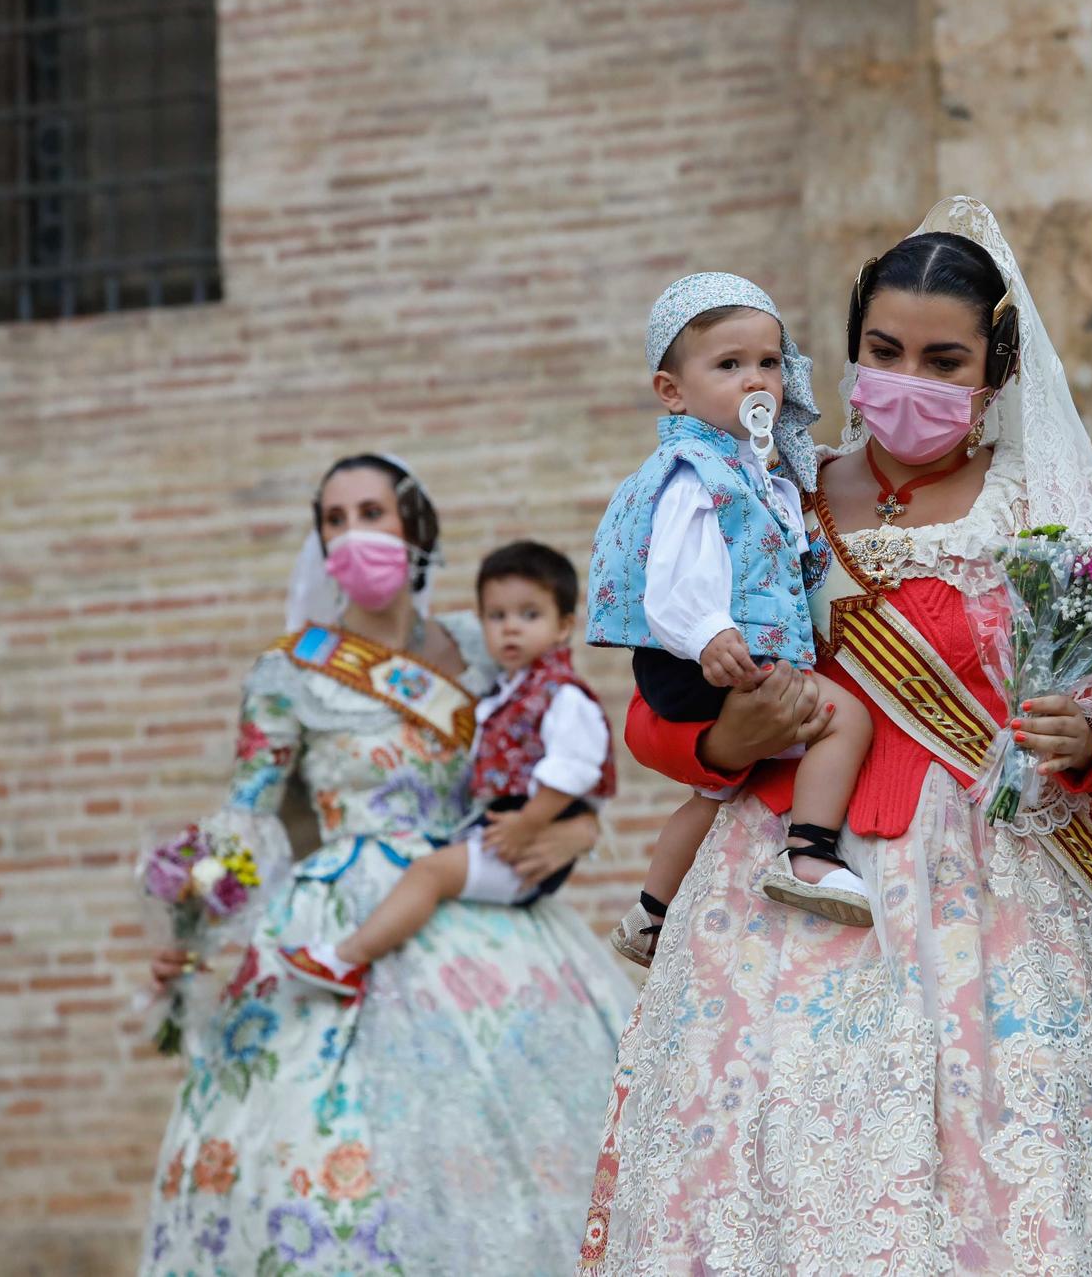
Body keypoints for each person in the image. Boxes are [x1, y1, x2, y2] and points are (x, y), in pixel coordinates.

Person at [577, 198, 1092, 1274]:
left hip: (998, 892)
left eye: (943, 359)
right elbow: (657, 715)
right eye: (882, 352)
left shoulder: (1041, 509)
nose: (908, 379)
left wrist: (1085, 735)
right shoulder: (768, 493)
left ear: (993, 371)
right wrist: (728, 736)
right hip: (789, 879)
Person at [140, 454, 636, 1277]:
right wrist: (189, 933)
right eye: (333, 519)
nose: (352, 533)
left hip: (481, 900)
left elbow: (566, 752)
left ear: (413, 527)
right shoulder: (289, 668)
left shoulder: (485, 645)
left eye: (371, 512)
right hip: (333, 917)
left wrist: (578, 834)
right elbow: (244, 820)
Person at [587, 273, 875, 967]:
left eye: (769, 363)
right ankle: (808, 852)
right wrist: (709, 632)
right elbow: (674, 573)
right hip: (700, 652)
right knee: (846, 717)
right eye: (729, 365)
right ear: (672, 391)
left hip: (703, 652)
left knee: (714, 793)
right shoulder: (697, 471)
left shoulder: (746, 465)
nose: (756, 381)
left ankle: (650, 911)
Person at [277, 539, 617, 996]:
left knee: (429, 874)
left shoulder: (560, 695)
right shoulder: (505, 690)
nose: (511, 629)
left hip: (522, 838)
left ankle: (345, 960)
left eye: (529, 615)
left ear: (564, 627)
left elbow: (576, 769)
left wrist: (538, 825)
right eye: (497, 617)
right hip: (488, 830)